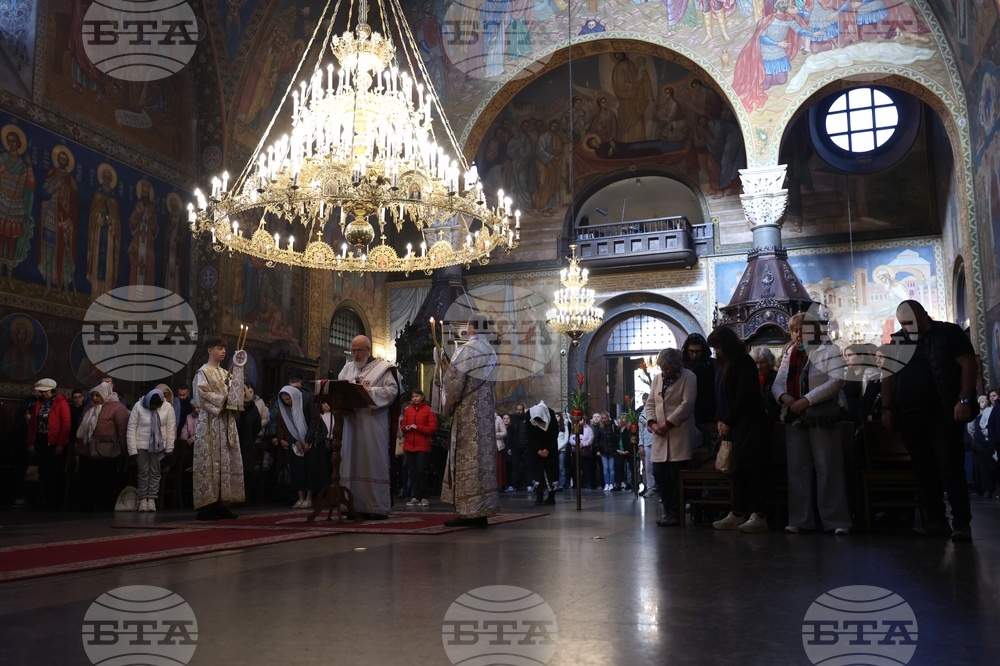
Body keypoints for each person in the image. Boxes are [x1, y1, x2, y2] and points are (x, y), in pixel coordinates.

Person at [882, 300, 978, 542]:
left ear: (926, 315)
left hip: (943, 412)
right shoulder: (897, 342)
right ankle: (936, 521)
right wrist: (887, 408)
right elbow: (887, 376)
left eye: (913, 322)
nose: (909, 328)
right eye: (904, 324)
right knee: (924, 471)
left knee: (951, 468)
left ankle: (961, 524)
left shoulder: (948, 333)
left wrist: (964, 400)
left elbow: (968, 364)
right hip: (909, 416)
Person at [773, 313, 852, 535]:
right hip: (794, 416)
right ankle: (800, 520)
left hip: (820, 415)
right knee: (797, 469)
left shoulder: (829, 350)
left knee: (828, 468)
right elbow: (778, 382)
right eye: (794, 330)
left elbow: (837, 380)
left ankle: (836, 521)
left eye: (802, 329)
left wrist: (807, 400)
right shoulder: (789, 352)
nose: (798, 334)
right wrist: (786, 399)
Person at [708, 327, 772, 534]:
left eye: (718, 347)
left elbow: (744, 395)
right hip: (734, 426)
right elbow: (719, 395)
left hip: (750, 425)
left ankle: (758, 514)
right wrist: (719, 418)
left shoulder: (743, 362)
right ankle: (738, 512)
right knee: (737, 470)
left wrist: (727, 420)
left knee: (753, 469)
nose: (716, 351)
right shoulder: (722, 364)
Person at [439, 315, 500, 527]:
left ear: (470, 327)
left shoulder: (466, 350)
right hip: (485, 413)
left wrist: (447, 408)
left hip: (467, 413)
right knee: (483, 460)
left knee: (466, 458)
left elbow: (454, 383)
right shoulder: (491, 352)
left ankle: (467, 511)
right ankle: (482, 509)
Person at [338, 335, 400, 519]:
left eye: (359, 351)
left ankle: (375, 507)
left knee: (372, 460)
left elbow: (392, 391)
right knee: (351, 462)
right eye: (353, 350)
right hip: (352, 424)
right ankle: (352, 505)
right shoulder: (347, 369)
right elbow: (340, 389)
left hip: (373, 424)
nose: (355, 354)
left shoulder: (383, 368)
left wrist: (367, 393)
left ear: (368, 350)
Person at [192, 337, 244, 520]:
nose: (223, 352)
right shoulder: (203, 372)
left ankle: (222, 502)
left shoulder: (225, 373)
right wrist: (224, 399)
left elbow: (237, 395)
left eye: (224, 349)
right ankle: (207, 506)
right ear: (209, 350)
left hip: (226, 423)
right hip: (210, 423)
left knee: (225, 462)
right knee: (210, 463)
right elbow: (202, 395)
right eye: (219, 348)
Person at [644, 348, 697, 526]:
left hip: (678, 433)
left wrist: (668, 424)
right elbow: (651, 402)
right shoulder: (658, 379)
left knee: (677, 478)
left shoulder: (689, 377)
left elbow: (687, 404)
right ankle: (668, 511)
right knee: (660, 475)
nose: (664, 371)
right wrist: (652, 423)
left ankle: (676, 513)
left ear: (677, 365)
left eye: (667, 368)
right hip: (659, 434)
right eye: (662, 368)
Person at [75, 382, 129, 511]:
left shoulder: (117, 408)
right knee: (88, 479)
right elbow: (82, 427)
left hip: (107, 451)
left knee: (105, 479)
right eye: (93, 395)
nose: (94, 398)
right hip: (88, 450)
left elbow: (122, 430)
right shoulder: (89, 407)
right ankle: (88, 504)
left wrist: (124, 451)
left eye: (97, 396)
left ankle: (104, 504)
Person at [127, 388, 176, 512]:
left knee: (155, 473)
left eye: (156, 407)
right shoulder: (138, 406)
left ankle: (152, 499)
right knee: (143, 473)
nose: (154, 409)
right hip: (142, 446)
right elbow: (131, 427)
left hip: (159, 446)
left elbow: (171, 428)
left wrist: (170, 447)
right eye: (152, 406)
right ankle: (143, 499)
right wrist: (132, 449)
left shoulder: (167, 407)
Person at [27, 378, 71, 508]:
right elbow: (33, 424)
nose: (42, 393)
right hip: (40, 440)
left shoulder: (61, 402)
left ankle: (52, 500)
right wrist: (30, 443)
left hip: (53, 442)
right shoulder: (38, 402)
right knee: (41, 471)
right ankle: (41, 499)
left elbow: (66, 424)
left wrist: (60, 444)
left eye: (44, 391)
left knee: (53, 472)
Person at [274, 386, 320, 509]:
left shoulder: (308, 400)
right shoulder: (285, 407)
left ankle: (309, 498)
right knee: (297, 469)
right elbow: (287, 425)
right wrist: (295, 440)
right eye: (284, 400)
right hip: (295, 441)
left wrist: (307, 440)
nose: (287, 402)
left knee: (309, 469)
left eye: (288, 399)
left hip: (311, 439)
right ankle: (300, 497)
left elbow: (314, 421)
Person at [401, 389, 438, 507]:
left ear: (422, 397)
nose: (414, 398)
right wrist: (407, 427)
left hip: (422, 445)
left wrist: (417, 427)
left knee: (421, 471)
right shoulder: (409, 411)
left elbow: (432, 429)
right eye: (413, 397)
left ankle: (424, 496)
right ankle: (416, 496)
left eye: (416, 396)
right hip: (409, 446)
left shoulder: (429, 410)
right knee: (413, 472)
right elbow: (402, 427)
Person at [527, 400, 559, 505]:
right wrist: (537, 449)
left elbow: (554, 433)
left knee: (551, 472)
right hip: (535, 449)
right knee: (537, 473)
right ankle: (539, 495)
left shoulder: (550, 413)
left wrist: (547, 449)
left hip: (550, 449)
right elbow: (529, 434)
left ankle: (551, 497)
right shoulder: (529, 414)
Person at [237, 382, 263, 500]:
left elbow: (257, 426)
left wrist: (251, 438)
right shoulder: (232, 407)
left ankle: (246, 496)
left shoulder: (253, 408)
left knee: (246, 471)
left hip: (247, 443)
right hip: (234, 443)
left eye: (244, 391)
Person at [750, 345, 781, 423]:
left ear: (769, 362)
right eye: (755, 363)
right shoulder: (748, 378)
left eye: (762, 362)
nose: (758, 367)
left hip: (773, 420)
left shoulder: (776, 377)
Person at [507, 404, 529, 491]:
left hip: (525, 446)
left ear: (523, 410)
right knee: (515, 466)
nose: (518, 411)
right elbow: (510, 434)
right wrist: (509, 447)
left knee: (527, 466)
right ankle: (514, 485)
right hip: (515, 446)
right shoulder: (513, 419)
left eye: (520, 409)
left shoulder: (527, 419)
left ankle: (528, 485)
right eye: (517, 409)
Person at [595, 412, 618, 490]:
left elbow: (615, 437)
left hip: (611, 450)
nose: (604, 420)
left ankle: (611, 483)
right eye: (603, 418)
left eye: (605, 418)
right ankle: (606, 483)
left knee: (611, 467)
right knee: (605, 467)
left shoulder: (612, 426)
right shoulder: (599, 427)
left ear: (608, 418)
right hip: (603, 450)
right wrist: (597, 450)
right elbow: (597, 439)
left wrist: (613, 424)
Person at [555, 411, 570, 490]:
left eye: (557, 416)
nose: (556, 418)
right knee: (554, 467)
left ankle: (561, 484)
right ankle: (554, 483)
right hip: (553, 449)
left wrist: (559, 447)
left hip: (561, 449)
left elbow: (566, 439)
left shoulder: (564, 426)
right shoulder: (552, 427)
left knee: (561, 467)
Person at [495, 412, 507, 492]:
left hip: (497, 446)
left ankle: (500, 485)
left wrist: (494, 435)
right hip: (485, 447)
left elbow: (505, 432)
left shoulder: (498, 418)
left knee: (499, 466)